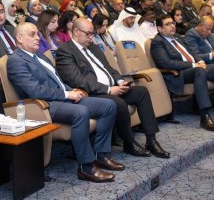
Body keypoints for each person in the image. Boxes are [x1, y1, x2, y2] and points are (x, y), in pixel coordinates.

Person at [6, 22, 120, 183]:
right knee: (81, 112)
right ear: (19, 38)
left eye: (38, 34)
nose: (38, 38)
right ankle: (85, 167)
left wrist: (72, 91)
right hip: (43, 105)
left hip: (61, 98)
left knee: (109, 106)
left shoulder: (39, 56)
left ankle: (100, 154)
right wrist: (67, 94)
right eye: (32, 34)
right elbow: (35, 91)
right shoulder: (16, 60)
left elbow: (57, 81)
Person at [57, 18, 169, 158]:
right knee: (119, 103)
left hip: (112, 88)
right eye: (88, 34)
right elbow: (77, 80)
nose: (91, 38)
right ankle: (129, 143)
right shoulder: (65, 51)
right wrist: (109, 90)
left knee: (141, 92)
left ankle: (151, 140)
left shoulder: (93, 47)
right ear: (76, 31)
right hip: (93, 94)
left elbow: (109, 68)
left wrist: (120, 81)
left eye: (92, 34)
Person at [150, 14, 214, 132]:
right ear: (159, 28)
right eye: (167, 24)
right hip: (179, 74)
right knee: (199, 71)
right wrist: (193, 65)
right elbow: (166, 63)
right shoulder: (157, 42)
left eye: (173, 23)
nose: (172, 26)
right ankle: (205, 116)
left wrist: (199, 61)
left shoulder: (178, 37)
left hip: (194, 68)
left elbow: (191, 53)